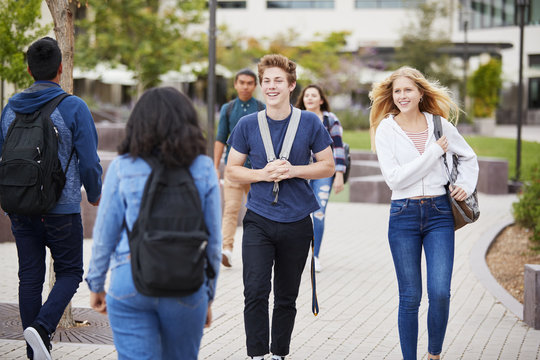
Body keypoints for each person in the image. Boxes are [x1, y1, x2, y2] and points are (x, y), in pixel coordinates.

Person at [85, 87, 221, 360]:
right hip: (186, 283)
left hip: (130, 279)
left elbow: (104, 235)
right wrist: (207, 294)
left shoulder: (124, 166)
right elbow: (214, 242)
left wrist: (96, 284)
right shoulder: (204, 167)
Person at [226, 54, 335, 360]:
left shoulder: (310, 122)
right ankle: (257, 355)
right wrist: (261, 174)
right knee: (255, 291)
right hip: (259, 218)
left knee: (286, 296)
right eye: (267, 81)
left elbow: (327, 166)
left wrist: (294, 170)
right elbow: (231, 170)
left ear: (291, 85)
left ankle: (279, 355)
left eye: (278, 81)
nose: (271, 87)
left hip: (298, 221)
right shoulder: (248, 124)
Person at [0, 37, 103, 360]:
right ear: (60, 69)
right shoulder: (74, 107)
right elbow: (89, 161)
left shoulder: (10, 107)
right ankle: (43, 328)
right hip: (62, 209)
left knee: (29, 276)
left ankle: (35, 353)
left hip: (20, 207)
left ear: (29, 69)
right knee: (70, 272)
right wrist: (96, 194)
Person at [369, 66, 478, 360]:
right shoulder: (386, 130)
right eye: (397, 91)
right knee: (410, 297)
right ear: (391, 97)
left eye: (408, 90)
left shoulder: (439, 125)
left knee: (440, 292)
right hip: (403, 215)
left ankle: (434, 354)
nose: (402, 96)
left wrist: (465, 186)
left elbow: (468, 156)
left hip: (439, 213)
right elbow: (394, 179)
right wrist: (433, 153)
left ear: (420, 92)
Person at [214, 68, 264, 267]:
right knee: (231, 209)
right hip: (233, 169)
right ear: (235, 84)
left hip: (257, 171)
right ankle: (226, 249)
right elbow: (220, 139)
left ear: (254, 85)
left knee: (258, 211)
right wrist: (215, 167)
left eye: (249, 83)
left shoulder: (261, 107)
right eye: (241, 82)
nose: (245, 86)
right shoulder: (227, 108)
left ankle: (260, 250)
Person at [295, 84, 346, 272]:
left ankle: (314, 255)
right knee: (299, 214)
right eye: (306, 95)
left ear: (321, 100)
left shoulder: (330, 119)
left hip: (324, 173)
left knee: (318, 213)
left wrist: (339, 174)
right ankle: (298, 254)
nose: (309, 98)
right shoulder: (296, 118)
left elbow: (338, 148)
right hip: (301, 171)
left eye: (313, 95)